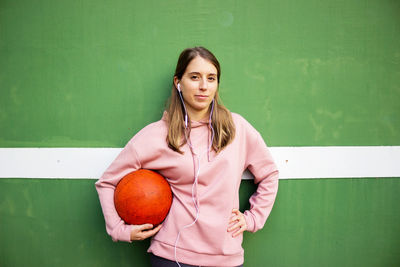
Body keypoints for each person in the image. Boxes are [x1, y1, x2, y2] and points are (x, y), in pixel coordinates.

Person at [95, 46, 279, 267]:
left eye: (211, 78)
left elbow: (269, 173)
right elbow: (107, 182)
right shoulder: (157, 134)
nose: (203, 86)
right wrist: (119, 229)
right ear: (178, 82)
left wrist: (253, 218)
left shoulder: (237, 128)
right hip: (171, 256)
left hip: (226, 257)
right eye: (194, 77)